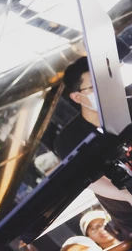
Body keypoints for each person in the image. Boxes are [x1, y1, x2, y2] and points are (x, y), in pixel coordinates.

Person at [54, 57, 132, 239]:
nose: (103, 90)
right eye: (94, 86)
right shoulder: (69, 139)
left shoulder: (128, 105)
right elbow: (88, 179)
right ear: (77, 97)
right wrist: (128, 195)